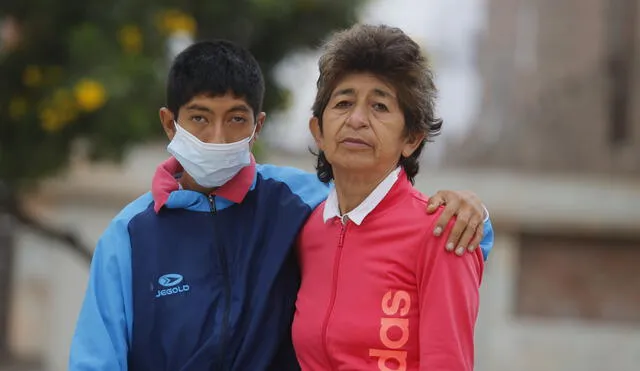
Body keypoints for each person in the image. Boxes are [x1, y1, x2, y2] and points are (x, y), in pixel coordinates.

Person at [69, 39, 493, 371]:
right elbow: (95, 362)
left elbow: (407, 221)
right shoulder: (130, 234)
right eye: (199, 118)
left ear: (258, 127)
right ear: (170, 122)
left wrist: (472, 209)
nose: (217, 137)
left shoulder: (297, 203)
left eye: (236, 118)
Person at [293, 24, 485, 371]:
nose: (356, 119)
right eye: (344, 102)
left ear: (411, 138)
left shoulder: (441, 231)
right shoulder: (306, 230)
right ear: (318, 132)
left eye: (379, 106)